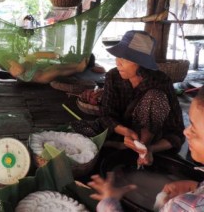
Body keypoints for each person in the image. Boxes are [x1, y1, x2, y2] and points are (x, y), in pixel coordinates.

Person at [71, 30, 185, 167]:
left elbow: (177, 131)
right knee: (75, 130)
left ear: (140, 63)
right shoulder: (113, 76)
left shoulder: (160, 81)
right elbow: (106, 115)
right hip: (121, 133)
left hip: (152, 137)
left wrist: (148, 149)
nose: (118, 63)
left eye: (124, 58)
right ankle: (119, 145)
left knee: (155, 96)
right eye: (118, 57)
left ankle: (139, 148)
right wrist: (125, 131)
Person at [88, 86, 204, 211]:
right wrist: (197, 187)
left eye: (194, 129)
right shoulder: (113, 78)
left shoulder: (182, 205)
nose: (186, 131)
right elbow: (107, 116)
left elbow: (175, 136)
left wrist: (109, 201)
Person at [7, 55, 89, 84]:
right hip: (42, 77)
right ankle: (78, 69)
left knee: (58, 67)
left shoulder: (17, 61)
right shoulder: (12, 69)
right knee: (58, 71)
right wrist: (11, 61)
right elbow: (21, 69)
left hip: (42, 71)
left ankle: (78, 65)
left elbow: (30, 60)